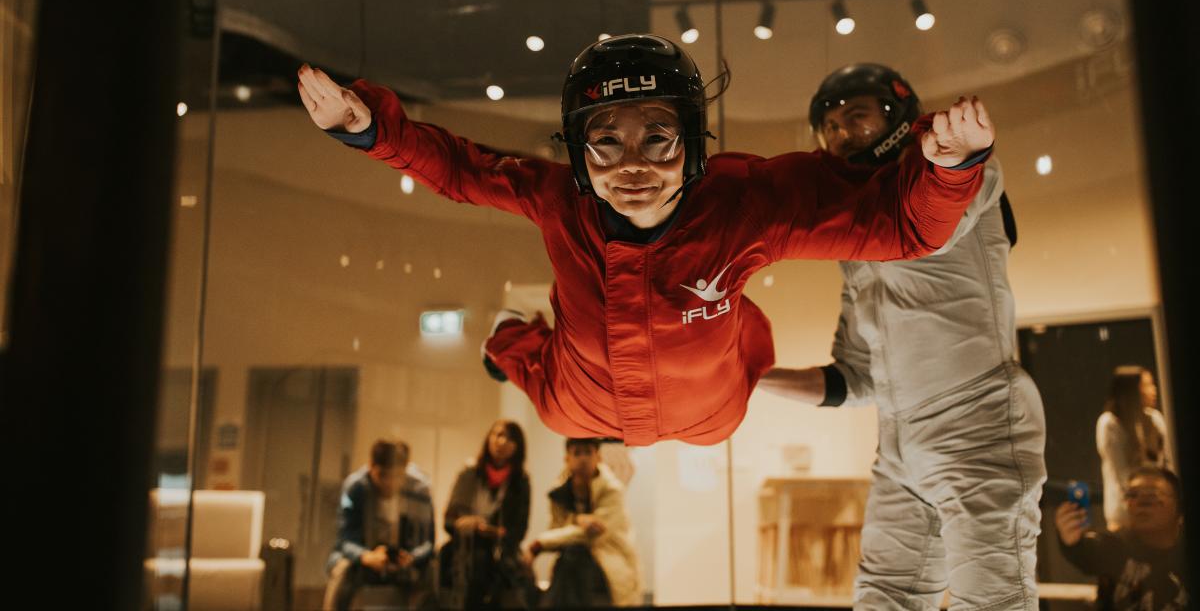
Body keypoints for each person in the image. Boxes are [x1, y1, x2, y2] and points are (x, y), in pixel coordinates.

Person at [297, 34, 995, 446]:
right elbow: (458, 167)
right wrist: (371, 130)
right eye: (606, 144)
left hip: (711, 407)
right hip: (582, 400)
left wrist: (951, 166)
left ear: (691, 143)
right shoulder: (557, 199)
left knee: (733, 367)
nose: (632, 167)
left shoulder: (743, 204)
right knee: (534, 383)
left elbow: (903, 227)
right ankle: (508, 334)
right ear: (578, 151)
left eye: (657, 139)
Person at [758, 63, 1046, 610]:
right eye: (832, 127)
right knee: (884, 597)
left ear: (896, 116)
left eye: (856, 118)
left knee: (993, 601)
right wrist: (753, 378)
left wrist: (956, 157)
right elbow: (856, 376)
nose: (843, 134)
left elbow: (939, 210)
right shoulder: (856, 235)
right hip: (899, 442)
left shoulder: (954, 178)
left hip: (976, 422)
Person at [323, 439, 436, 611]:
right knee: (341, 569)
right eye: (383, 475)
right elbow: (344, 539)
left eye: (397, 476)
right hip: (365, 559)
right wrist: (366, 556)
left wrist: (411, 557)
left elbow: (428, 541)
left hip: (406, 561)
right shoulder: (355, 487)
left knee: (432, 574)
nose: (389, 483)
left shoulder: (419, 489)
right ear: (371, 467)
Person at [1055, 466, 1189, 610]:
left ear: (1178, 507)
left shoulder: (1189, 557)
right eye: (1132, 494)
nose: (1140, 503)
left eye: (1152, 494)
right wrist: (1071, 540)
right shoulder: (1116, 547)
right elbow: (1088, 552)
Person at [528, 438, 641, 607]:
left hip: (609, 560)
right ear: (567, 458)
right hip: (570, 562)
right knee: (571, 558)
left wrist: (539, 544)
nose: (583, 459)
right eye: (577, 453)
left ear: (598, 456)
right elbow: (556, 530)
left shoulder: (612, 490)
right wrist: (578, 520)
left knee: (574, 559)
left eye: (588, 452)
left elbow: (595, 535)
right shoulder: (558, 492)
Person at [440, 420, 535, 609]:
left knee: (519, 579)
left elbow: (519, 530)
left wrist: (495, 531)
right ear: (488, 439)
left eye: (509, 438)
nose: (501, 442)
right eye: (497, 435)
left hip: (502, 553)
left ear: (518, 447)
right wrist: (469, 524)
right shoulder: (469, 473)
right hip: (465, 548)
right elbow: (449, 520)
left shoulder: (520, 481)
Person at [1098, 365, 1171, 531]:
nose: (1154, 390)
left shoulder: (1155, 419)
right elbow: (1122, 474)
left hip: (1157, 512)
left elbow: (1166, 463)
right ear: (1131, 391)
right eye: (1146, 385)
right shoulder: (1110, 423)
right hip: (1125, 515)